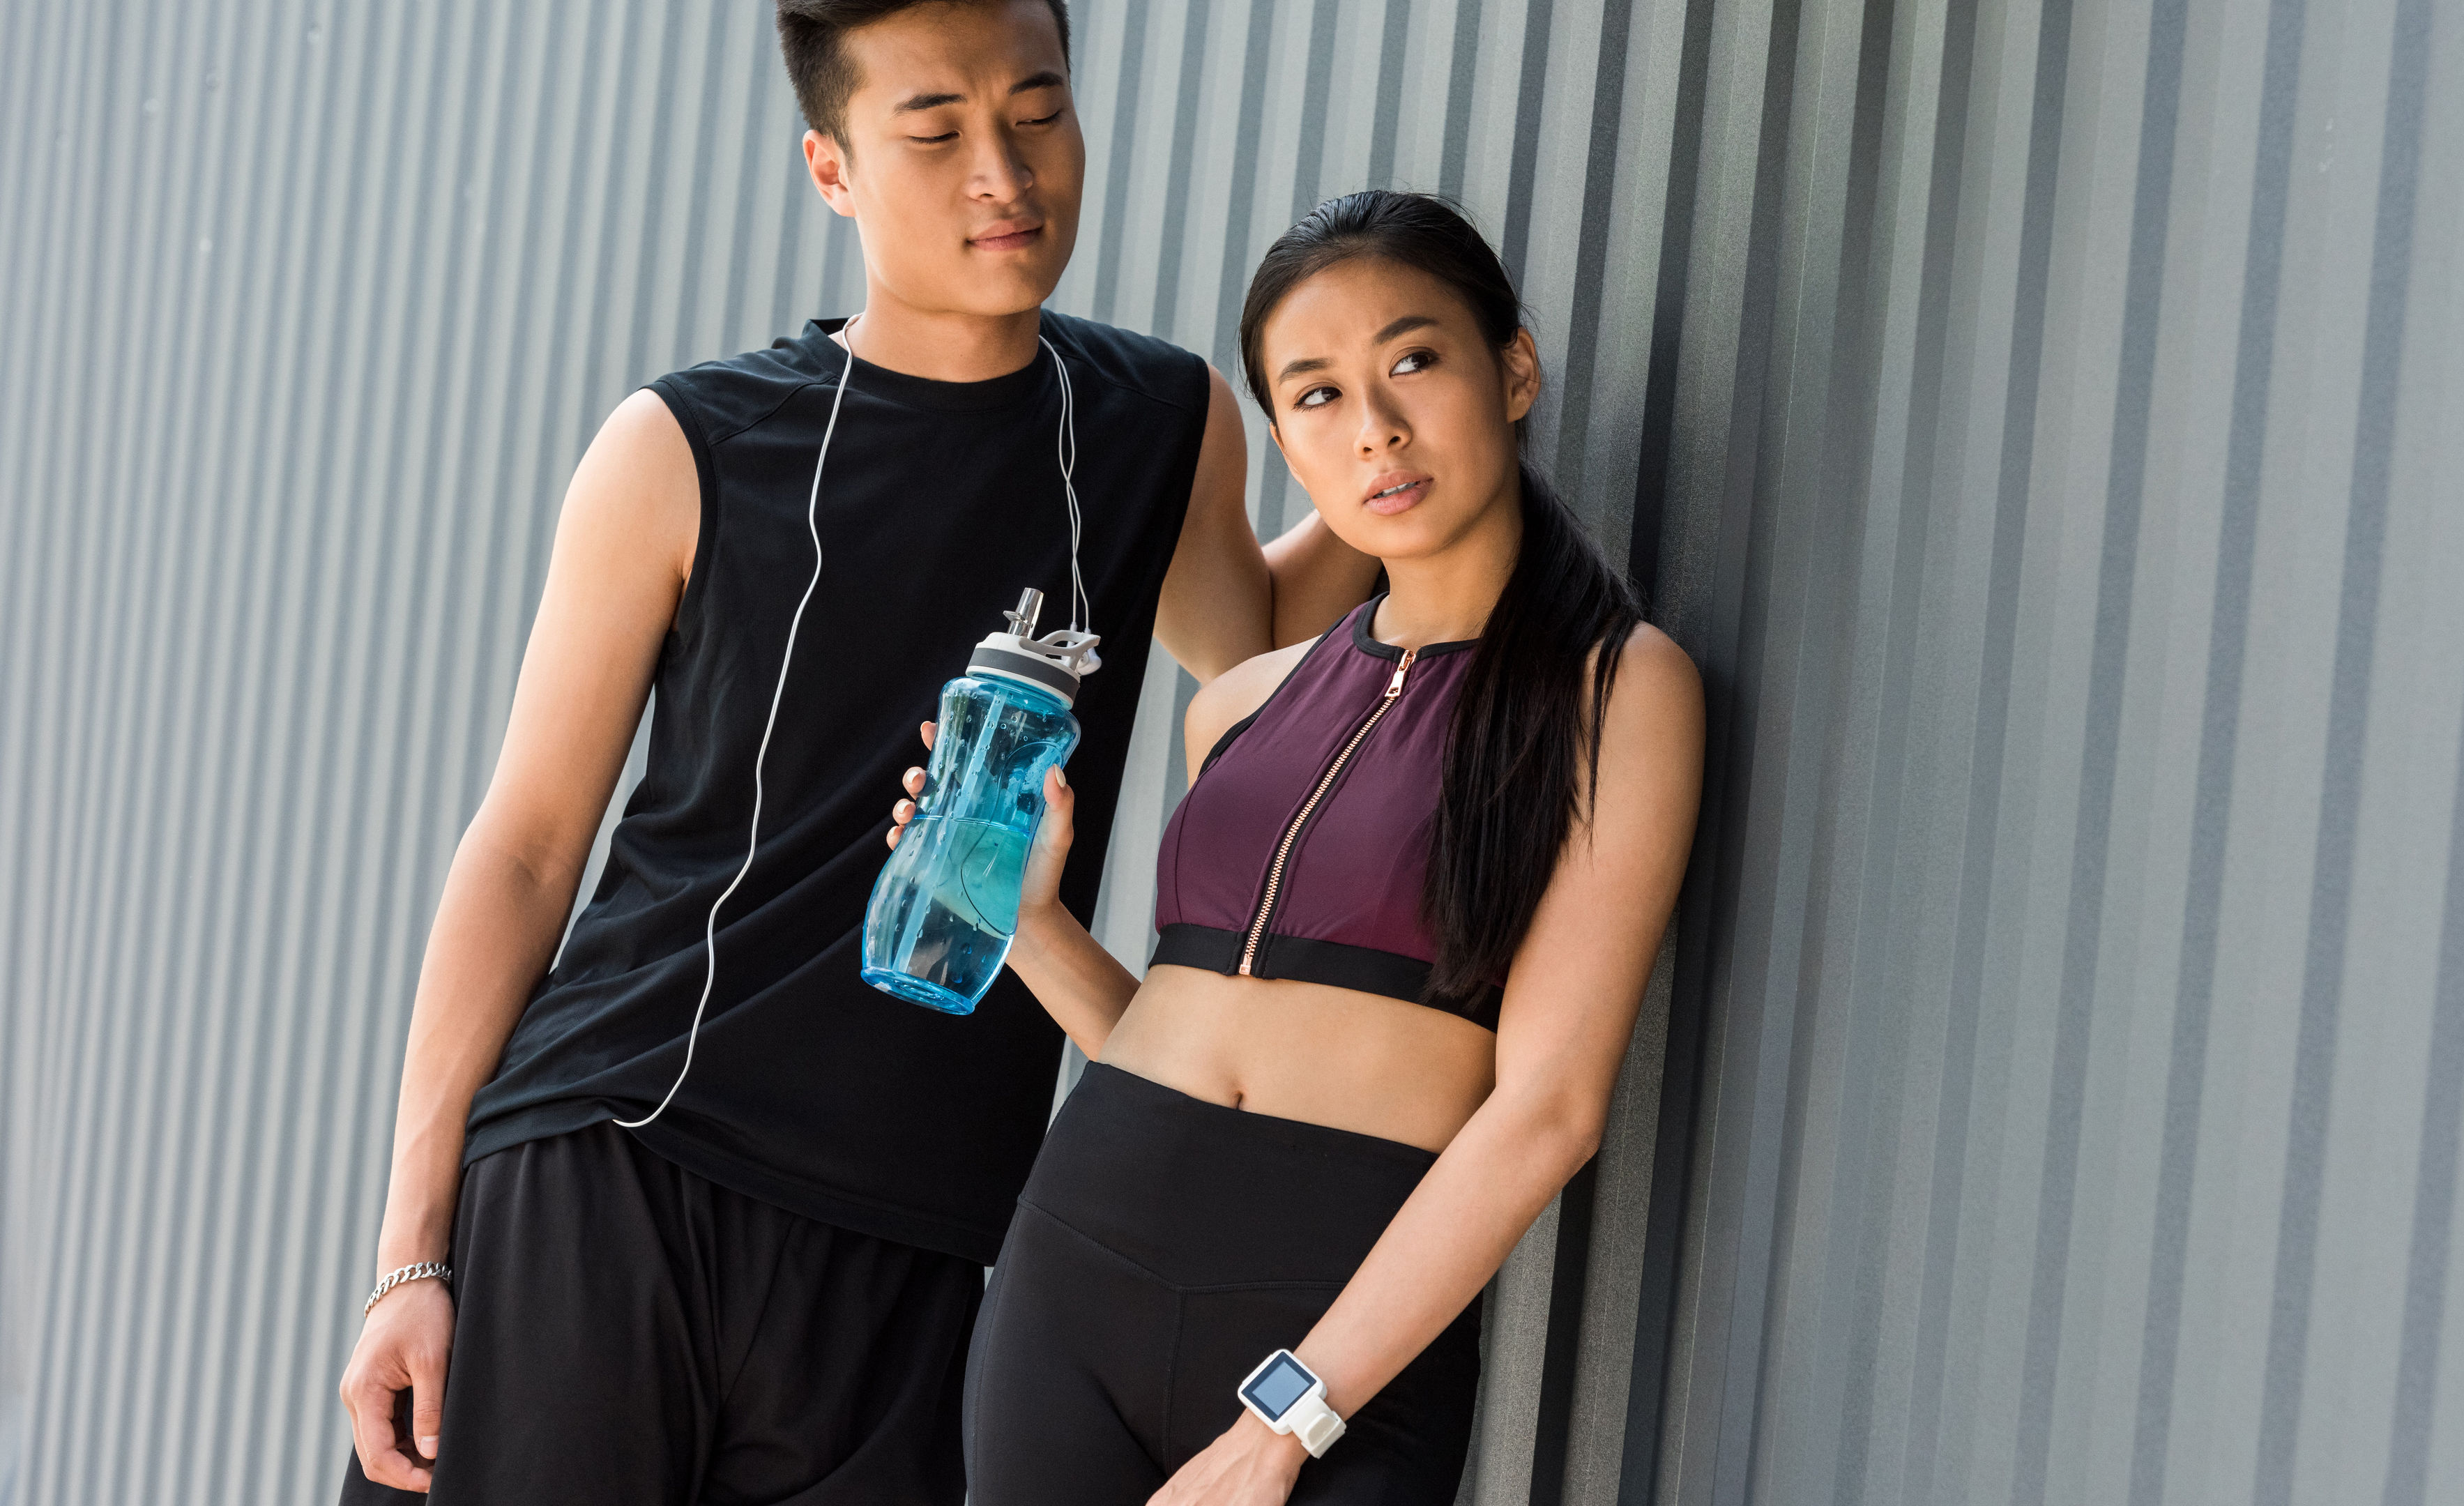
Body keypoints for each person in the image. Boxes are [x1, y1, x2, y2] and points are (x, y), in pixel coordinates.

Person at [335, 2, 1375, 1501]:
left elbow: (1255, 640)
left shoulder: (1155, 418)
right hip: (628, 1161)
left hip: (921, 1244)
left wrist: (1408, 442)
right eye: (936, 132)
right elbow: (524, 849)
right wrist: (411, 1253)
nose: (1003, 173)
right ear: (832, 167)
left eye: (1037, 111)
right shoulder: (687, 447)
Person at [888, 190, 1705, 1504]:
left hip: (1339, 1337)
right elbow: (1178, 1042)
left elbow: (1549, 1110)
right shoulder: (1245, 703)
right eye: (1317, 395)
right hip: (1073, 1273)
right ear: (1287, 443)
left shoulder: (1613, 691)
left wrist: (1289, 1419)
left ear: (1514, 369)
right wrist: (1030, 923)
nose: (1375, 426)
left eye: (1414, 361)